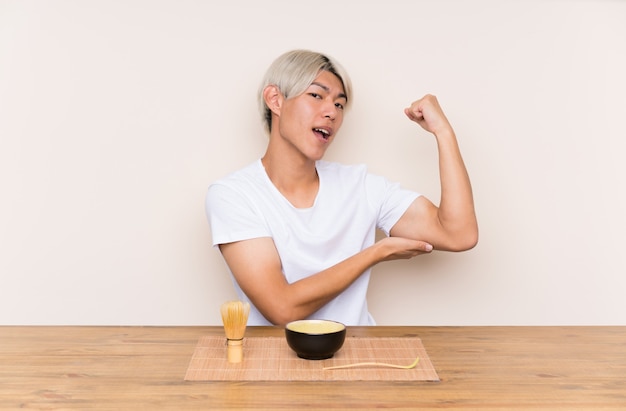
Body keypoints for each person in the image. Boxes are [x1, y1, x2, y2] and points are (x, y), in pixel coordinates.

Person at [205, 49, 478, 326]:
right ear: (276, 100)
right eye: (316, 95)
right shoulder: (234, 195)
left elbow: (459, 234)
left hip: (358, 358)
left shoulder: (361, 187)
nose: (331, 112)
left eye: (339, 104)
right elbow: (281, 308)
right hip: (271, 363)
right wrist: (375, 253)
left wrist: (443, 132)